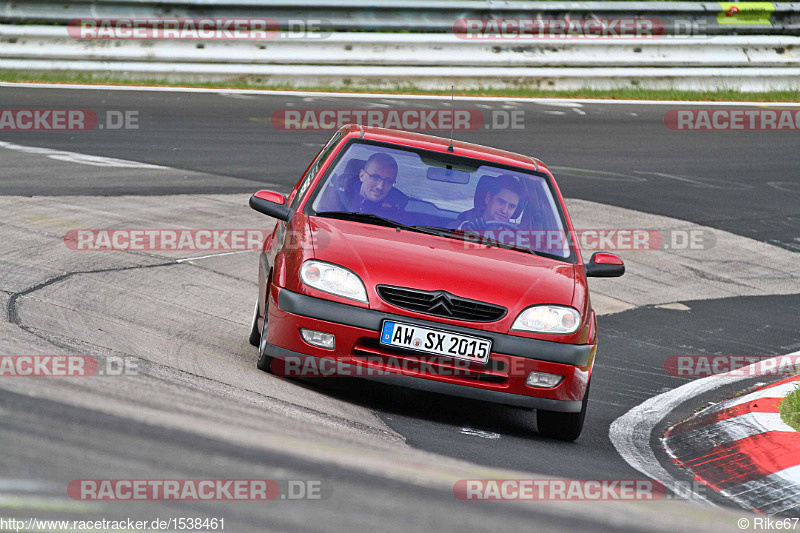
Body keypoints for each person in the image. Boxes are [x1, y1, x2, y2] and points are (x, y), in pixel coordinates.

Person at [458, 174, 525, 231]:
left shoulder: (515, 238)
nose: (504, 210)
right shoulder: (462, 226)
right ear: (488, 198)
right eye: (501, 202)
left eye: (511, 206)